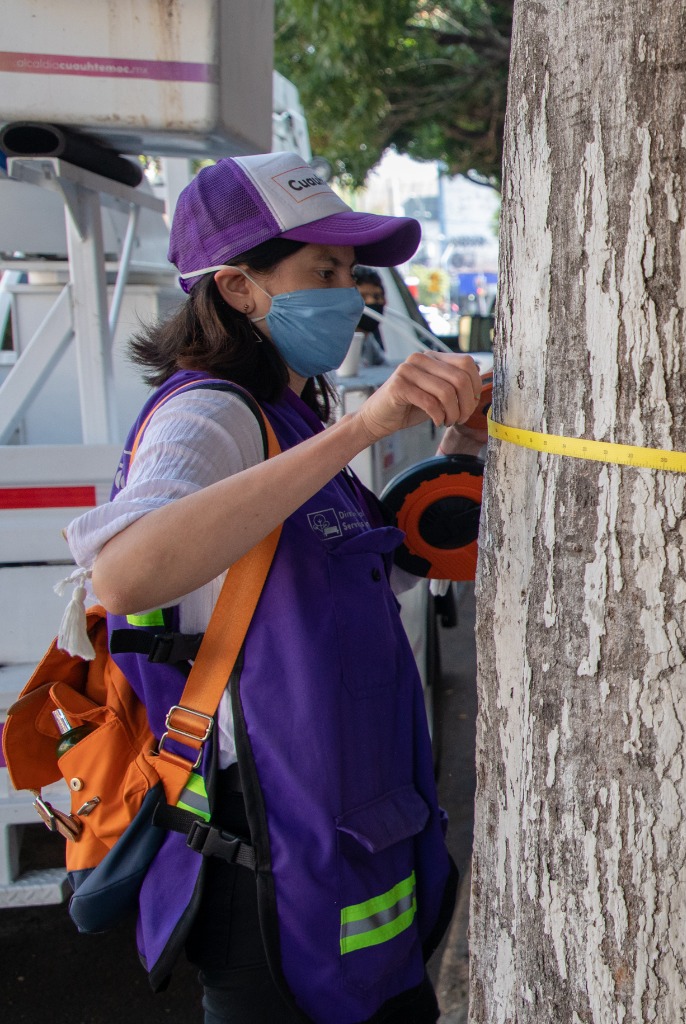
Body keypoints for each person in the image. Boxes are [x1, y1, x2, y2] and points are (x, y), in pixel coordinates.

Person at [64, 152, 482, 1023]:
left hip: (333, 829)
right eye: (322, 269)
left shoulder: (289, 415)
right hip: (260, 853)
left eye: (351, 271)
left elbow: (358, 574)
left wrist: (463, 452)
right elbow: (124, 573)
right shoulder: (209, 412)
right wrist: (362, 429)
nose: (350, 290)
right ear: (239, 288)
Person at [353, 265, 387, 365]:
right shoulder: (338, 346)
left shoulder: (368, 340)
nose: (371, 301)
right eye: (362, 297)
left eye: (377, 296)